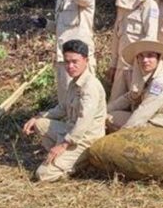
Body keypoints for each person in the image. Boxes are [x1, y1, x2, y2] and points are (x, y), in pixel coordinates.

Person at [22, 40, 107, 182]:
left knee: (42, 175)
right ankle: (64, 159)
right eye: (67, 62)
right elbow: (62, 109)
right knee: (40, 124)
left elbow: (83, 122)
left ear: (85, 60)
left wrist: (63, 145)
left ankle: (78, 163)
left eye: (75, 62)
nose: (70, 66)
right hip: (70, 130)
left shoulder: (90, 86)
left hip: (85, 139)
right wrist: (37, 117)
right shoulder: (75, 82)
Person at [39, 0, 96, 103]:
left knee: (82, 100)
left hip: (79, 59)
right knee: (65, 102)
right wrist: (45, 23)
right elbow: (61, 28)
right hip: (63, 57)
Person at [107, 0, 160, 101]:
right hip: (121, 66)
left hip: (138, 66)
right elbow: (117, 36)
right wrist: (113, 64)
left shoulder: (149, 5)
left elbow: (150, 38)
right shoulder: (121, 4)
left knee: (135, 105)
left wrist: (144, 67)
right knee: (114, 103)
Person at [106, 39, 163, 131]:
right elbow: (129, 97)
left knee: (110, 120)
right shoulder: (143, 77)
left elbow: (145, 110)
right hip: (149, 117)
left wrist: (125, 131)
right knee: (107, 115)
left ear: (158, 59)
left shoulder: (161, 81)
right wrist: (104, 110)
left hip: (161, 124)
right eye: (141, 56)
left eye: (150, 56)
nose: (145, 60)